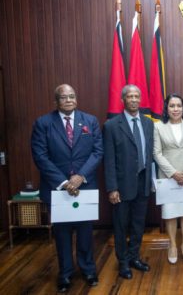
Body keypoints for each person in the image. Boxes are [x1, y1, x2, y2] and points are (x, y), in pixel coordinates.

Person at [31, 84, 102, 293]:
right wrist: (64, 182)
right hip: (57, 189)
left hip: (84, 186)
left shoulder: (90, 121)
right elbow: (40, 156)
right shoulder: (43, 123)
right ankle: (65, 274)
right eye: (64, 97)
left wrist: (80, 177)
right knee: (61, 234)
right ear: (56, 101)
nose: (69, 100)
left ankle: (88, 270)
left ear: (76, 99)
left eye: (72, 96)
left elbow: (98, 152)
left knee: (85, 232)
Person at [103, 84, 154, 279]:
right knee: (121, 225)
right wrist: (112, 188)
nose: (134, 100)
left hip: (143, 181)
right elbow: (108, 159)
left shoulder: (148, 123)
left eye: (136, 96)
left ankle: (134, 257)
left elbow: (149, 153)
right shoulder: (111, 125)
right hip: (122, 186)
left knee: (138, 223)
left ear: (140, 100)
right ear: (123, 100)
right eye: (130, 96)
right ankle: (123, 262)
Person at [153, 94, 183, 264]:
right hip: (168, 178)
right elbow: (156, 153)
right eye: (172, 106)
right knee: (171, 213)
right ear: (166, 109)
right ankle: (173, 245)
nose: (176, 109)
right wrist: (173, 173)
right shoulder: (159, 126)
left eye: (179, 106)